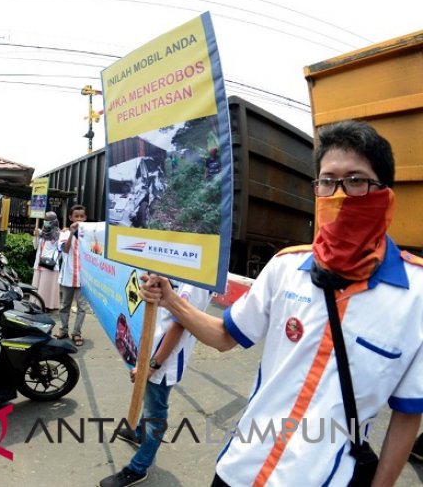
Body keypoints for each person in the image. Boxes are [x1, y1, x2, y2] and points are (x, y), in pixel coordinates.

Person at [141, 120, 423, 486]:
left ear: (383, 191)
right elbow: (225, 335)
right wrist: (169, 299)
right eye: (327, 181)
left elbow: (407, 415)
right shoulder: (286, 267)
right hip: (240, 469)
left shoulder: (415, 296)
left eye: (355, 180)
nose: (337, 193)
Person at [100, 284, 212, 487]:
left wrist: (152, 366)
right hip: (151, 351)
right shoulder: (175, 264)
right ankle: (139, 433)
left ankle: (138, 468)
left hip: (164, 361)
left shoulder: (195, 281)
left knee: (156, 413)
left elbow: (179, 325)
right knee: (150, 400)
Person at [55, 204, 90, 346]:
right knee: (65, 306)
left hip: (84, 278)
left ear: (86, 217)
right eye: (77, 216)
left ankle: (77, 333)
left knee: (82, 307)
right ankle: (63, 330)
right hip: (68, 276)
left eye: (82, 216)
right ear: (70, 218)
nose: (79, 219)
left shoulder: (89, 234)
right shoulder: (63, 234)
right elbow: (66, 249)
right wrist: (71, 233)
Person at [32, 211, 61, 311]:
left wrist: (52, 258)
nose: (46, 222)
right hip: (39, 264)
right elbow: (35, 247)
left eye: (48, 220)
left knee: (45, 287)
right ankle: (36, 304)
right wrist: (36, 236)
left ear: (53, 221)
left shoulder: (58, 234)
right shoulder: (41, 233)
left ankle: (47, 305)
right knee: (37, 286)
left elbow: (60, 250)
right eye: (45, 220)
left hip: (49, 265)